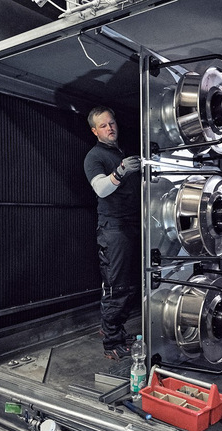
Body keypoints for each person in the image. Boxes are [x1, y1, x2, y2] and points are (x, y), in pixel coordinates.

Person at [83, 106, 142, 360]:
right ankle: (111, 342)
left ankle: (114, 328)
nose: (110, 128)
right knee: (116, 286)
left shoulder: (120, 151)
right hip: (113, 229)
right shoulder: (94, 157)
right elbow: (100, 189)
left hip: (131, 225)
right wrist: (120, 172)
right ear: (95, 131)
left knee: (132, 286)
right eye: (104, 126)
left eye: (112, 123)